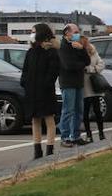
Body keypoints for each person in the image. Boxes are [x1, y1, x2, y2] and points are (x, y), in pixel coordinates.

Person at [19, 23, 60, 160]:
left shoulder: (51, 51)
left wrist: (46, 85)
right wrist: (24, 82)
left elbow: (53, 72)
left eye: (33, 31)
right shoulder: (31, 52)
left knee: (49, 119)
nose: (31, 34)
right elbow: (25, 70)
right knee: (34, 120)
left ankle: (50, 148)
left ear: (41, 33)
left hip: (45, 91)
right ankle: (37, 150)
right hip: (31, 91)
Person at [56, 23, 89, 146]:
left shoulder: (77, 46)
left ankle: (75, 135)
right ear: (67, 33)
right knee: (68, 110)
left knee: (78, 110)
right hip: (68, 83)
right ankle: (65, 137)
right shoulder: (63, 47)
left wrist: (81, 49)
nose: (77, 34)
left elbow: (87, 61)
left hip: (78, 82)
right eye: (74, 32)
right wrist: (81, 65)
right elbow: (69, 66)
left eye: (77, 32)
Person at [80, 35, 106, 143]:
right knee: (85, 111)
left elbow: (102, 64)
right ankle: (89, 134)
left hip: (95, 85)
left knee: (97, 110)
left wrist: (91, 69)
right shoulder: (79, 52)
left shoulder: (93, 51)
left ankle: (101, 133)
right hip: (84, 85)